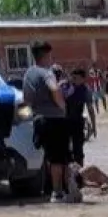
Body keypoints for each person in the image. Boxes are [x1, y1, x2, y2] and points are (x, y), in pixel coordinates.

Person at [22, 41, 71, 203]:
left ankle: (50, 188)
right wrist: (62, 105)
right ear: (46, 55)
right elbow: (54, 88)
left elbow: (26, 101)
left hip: (39, 120)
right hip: (55, 119)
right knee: (58, 158)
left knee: (48, 157)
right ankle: (58, 192)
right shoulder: (47, 73)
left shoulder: (29, 74)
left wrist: (25, 119)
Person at [65, 67, 97, 166]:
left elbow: (91, 109)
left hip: (77, 122)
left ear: (83, 79)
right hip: (64, 122)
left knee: (78, 150)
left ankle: (79, 174)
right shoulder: (65, 87)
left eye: (76, 78)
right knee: (66, 152)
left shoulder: (85, 90)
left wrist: (94, 126)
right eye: (73, 78)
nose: (74, 80)